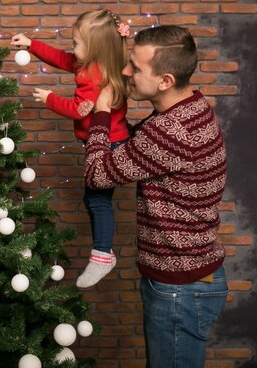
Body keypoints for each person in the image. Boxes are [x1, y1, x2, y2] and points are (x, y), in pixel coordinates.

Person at [84, 25, 228, 368]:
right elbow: (140, 149)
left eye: (135, 67)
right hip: (186, 278)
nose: (125, 71)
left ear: (165, 80)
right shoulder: (187, 107)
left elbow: (98, 174)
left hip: (180, 286)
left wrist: (102, 113)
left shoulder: (171, 130)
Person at [11, 9, 130, 287]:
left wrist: (50, 98)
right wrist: (33, 45)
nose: (73, 50)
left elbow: (80, 109)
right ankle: (103, 251)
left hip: (108, 144)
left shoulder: (94, 76)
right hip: (110, 140)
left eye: (77, 43)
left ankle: (102, 255)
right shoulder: (96, 63)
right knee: (95, 200)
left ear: (96, 48)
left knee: (98, 201)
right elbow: (63, 59)